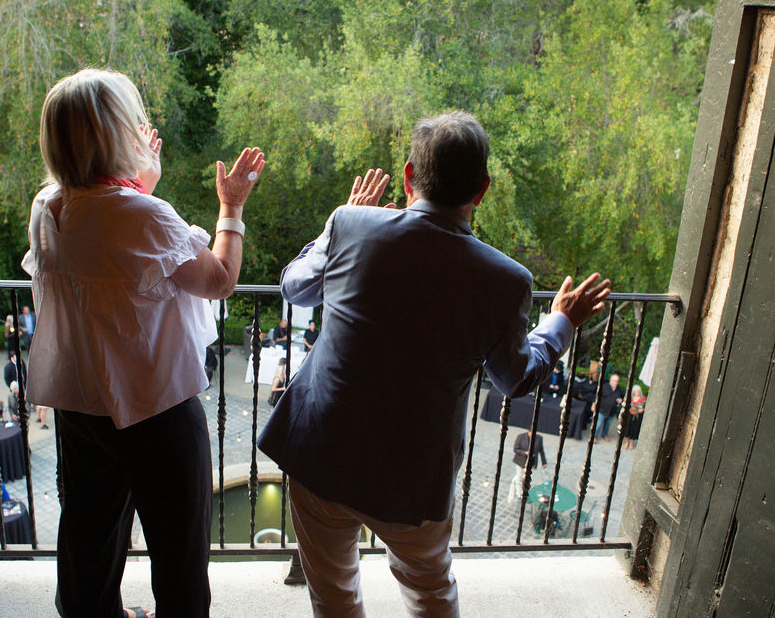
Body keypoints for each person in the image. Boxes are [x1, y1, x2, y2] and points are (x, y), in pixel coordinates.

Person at [258, 111, 610, 618]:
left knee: (332, 594)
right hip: (414, 475)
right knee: (430, 594)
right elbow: (515, 379)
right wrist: (561, 324)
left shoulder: (350, 224)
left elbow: (295, 288)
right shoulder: (505, 279)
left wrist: (340, 223)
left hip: (320, 452)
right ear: (482, 190)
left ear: (407, 176)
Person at [22, 68, 264, 618]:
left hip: (82, 406)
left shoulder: (48, 210)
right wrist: (231, 207)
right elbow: (219, 279)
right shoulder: (144, 218)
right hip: (156, 411)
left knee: (89, 536)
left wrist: (139, 188)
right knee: (178, 554)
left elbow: (108, 254)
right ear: (114, 135)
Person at [509, 429, 547, 504]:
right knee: (519, 477)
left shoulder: (539, 438)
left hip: (531, 463)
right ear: (528, 432)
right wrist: (525, 453)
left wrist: (544, 462)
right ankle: (519, 494)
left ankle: (524, 490)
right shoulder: (521, 437)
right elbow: (516, 449)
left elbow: (541, 451)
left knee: (527, 477)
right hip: (521, 462)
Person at [594, 373, 624, 442]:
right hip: (602, 409)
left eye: (617, 381)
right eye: (614, 381)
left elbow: (622, 396)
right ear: (611, 380)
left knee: (607, 425)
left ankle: (605, 435)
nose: (616, 382)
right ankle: (594, 436)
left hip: (612, 411)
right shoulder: (604, 387)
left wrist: (620, 400)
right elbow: (597, 396)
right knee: (598, 424)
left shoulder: (618, 389)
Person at [625, 384, 646, 449]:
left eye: (638, 391)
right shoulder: (630, 398)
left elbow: (644, 408)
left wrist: (641, 410)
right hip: (629, 416)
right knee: (627, 429)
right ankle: (627, 442)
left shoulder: (643, 399)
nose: (637, 392)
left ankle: (631, 443)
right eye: (635, 391)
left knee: (634, 430)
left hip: (637, 417)